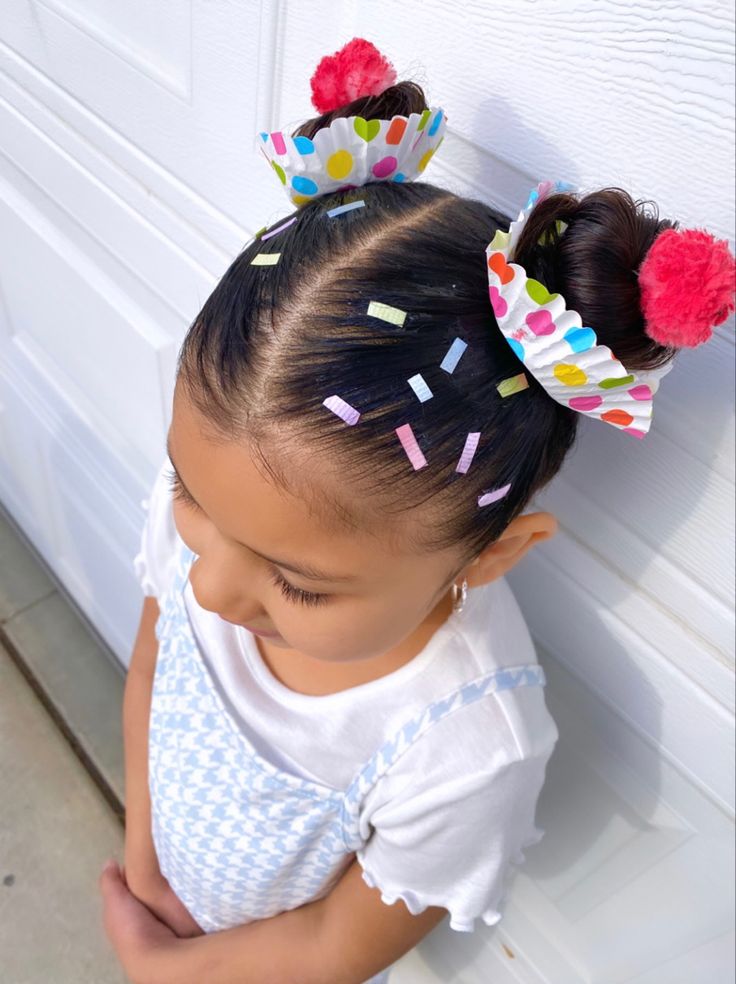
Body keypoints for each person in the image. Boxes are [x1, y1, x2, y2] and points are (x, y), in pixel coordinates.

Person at [115, 37, 736, 984]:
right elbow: (157, 666)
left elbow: (333, 948)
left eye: (298, 585)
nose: (212, 582)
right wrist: (146, 858)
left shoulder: (462, 746)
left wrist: (157, 967)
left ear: (488, 555)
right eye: (193, 497)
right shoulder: (210, 530)